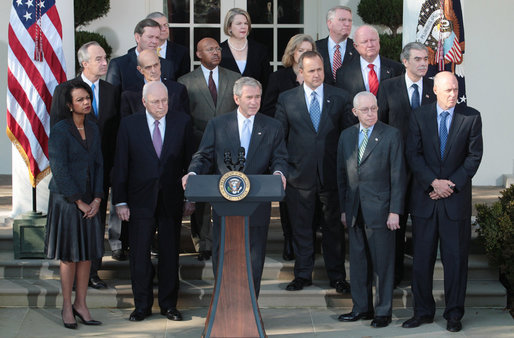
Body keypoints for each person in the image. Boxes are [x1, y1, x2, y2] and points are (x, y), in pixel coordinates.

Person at [182, 77, 288, 297]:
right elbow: (203, 156)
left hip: (257, 203)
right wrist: (192, 173)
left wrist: (279, 173)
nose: (254, 102)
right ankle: (223, 304)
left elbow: (280, 158)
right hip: (225, 205)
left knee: (254, 257)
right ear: (236, 98)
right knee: (224, 255)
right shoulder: (218, 124)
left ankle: (250, 308)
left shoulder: (272, 126)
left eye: (257, 97)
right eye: (249, 97)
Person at [403, 71, 483, 332]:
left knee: (456, 261)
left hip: (454, 201)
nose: (453, 94)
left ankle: (454, 314)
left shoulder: (470, 117)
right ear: (435, 90)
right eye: (448, 90)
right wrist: (433, 183)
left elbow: (473, 156)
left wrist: (450, 184)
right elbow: (413, 155)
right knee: (422, 260)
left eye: (456, 89)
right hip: (426, 200)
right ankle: (423, 312)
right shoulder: (419, 116)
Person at [112, 81, 194, 322]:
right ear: (144, 102)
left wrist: (191, 197)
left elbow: (190, 163)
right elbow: (121, 165)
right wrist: (120, 202)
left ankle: (169, 305)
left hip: (172, 198)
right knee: (139, 255)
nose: (162, 106)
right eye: (156, 102)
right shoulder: (129, 125)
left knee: (170, 254)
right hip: (139, 201)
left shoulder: (182, 122)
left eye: (165, 101)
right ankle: (142, 306)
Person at [275, 51, 353, 293]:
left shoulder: (340, 97)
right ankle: (302, 275)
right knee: (302, 229)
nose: (317, 74)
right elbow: (280, 140)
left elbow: (349, 137)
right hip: (299, 178)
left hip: (331, 177)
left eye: (320, 69)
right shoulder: (287, 99)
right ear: (301, 72)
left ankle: (337, 277)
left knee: (333, 230)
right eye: (311, 70)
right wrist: (284, 172)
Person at [50, 41, 120, 287]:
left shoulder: (112, 90)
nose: (104, 63)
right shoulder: (64, 90)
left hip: (101, 172)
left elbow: (114, 133)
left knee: (96, 221)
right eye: (99, 59)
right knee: (76, 229)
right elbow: (58, 137)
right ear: (84, 63)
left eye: (105, 58)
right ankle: (78, 282)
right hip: (73, 178)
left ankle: (93, 271)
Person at [337, 91, 406, 328]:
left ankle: (383, 311)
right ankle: (361, 308)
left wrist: (395, 210)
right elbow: (341, 176)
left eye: (374, 108)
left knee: (383, 264)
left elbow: (398, 175)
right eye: (365, 110)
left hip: (382, 210)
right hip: (355, 210)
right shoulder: (346, 136)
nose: (370, 113)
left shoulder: (391, 135)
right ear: (355, 112)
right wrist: (345, 210)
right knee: (358, 263)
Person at [377, 42, 436, 286]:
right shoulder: (388, 87)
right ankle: (394, 277)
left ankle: (421, 279)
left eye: (426, 59)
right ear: (405, 62)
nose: (423, 63)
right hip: (397, 167)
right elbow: (379, 125)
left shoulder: (435, 88)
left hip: (426, 168)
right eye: (418, 59)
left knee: (423, 226)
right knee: (396, 225)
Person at [46, 82, 104, 329]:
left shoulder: (93, 127)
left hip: (91, 199)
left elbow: (100, 163)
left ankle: (81, 304)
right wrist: (79, 201)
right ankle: (67, 307)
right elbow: (59, 168)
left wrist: (98, 198)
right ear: (69, 105)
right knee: (70, 255)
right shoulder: (60, 130)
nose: (86, 102)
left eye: (88, 98)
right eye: (80, 100)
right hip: (67, 200)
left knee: (87, 254)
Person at [178, 37, 241, 261]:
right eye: (209, 49)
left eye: (217, 48)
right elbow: (183, 118)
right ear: (198, 54)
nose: (215, 52)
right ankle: (203, 243)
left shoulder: (235, 78)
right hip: (199, 146)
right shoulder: (185, 82)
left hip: (229, 148)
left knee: (228, 193)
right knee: (202, 195)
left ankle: (228, 240)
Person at [260, 33, 315, 261]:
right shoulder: (279, 78)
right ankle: (289, 241)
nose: (304, 55)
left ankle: (310, 243)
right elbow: (267, 108)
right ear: (292, 54)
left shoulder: (319, 77)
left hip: (311, 148)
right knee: (288, 199)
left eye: (309, 51)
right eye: (301, 51)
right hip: (287, 144)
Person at [106, 19, 176, 93]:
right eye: (150, 37)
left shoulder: (167, 65)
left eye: (157, 37)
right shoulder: (119, 65)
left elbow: (172, 95)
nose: (154, 41)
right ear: (137, 38)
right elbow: (111, 98)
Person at [335, 25, 403, 100]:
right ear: (355, 46)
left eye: (373, 40)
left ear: (379, 41)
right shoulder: (343, 73)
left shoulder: (397, 69)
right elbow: (344, 104)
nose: (370, 45)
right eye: (365, 42)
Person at [120, 49, 189, 118]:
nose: (153, 70)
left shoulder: (178, 90)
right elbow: (127, 125)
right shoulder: (129, 95)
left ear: (160, 63)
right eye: (148, 67)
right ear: (140, 70)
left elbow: (185, 121)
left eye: (156, 65)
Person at [220, 8, 271, 91]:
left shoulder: (260, 50)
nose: (243, 27)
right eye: (239, 24)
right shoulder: (219, 50)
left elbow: (267, 81)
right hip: (226, 102)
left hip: (254, 101)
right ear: (229, 27)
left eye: (246, 23)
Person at [315, 6, 356, 85]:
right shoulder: (315, 47)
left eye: (350, 20)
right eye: (342, 20)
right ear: (329, 23)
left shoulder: (357, 47)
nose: (347, 24)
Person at [146, 11, 190, 78]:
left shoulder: (181, 52)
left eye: (165, 25)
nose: (164, 29)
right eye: (159, 26)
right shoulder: (137, 51)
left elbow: (183, 81)